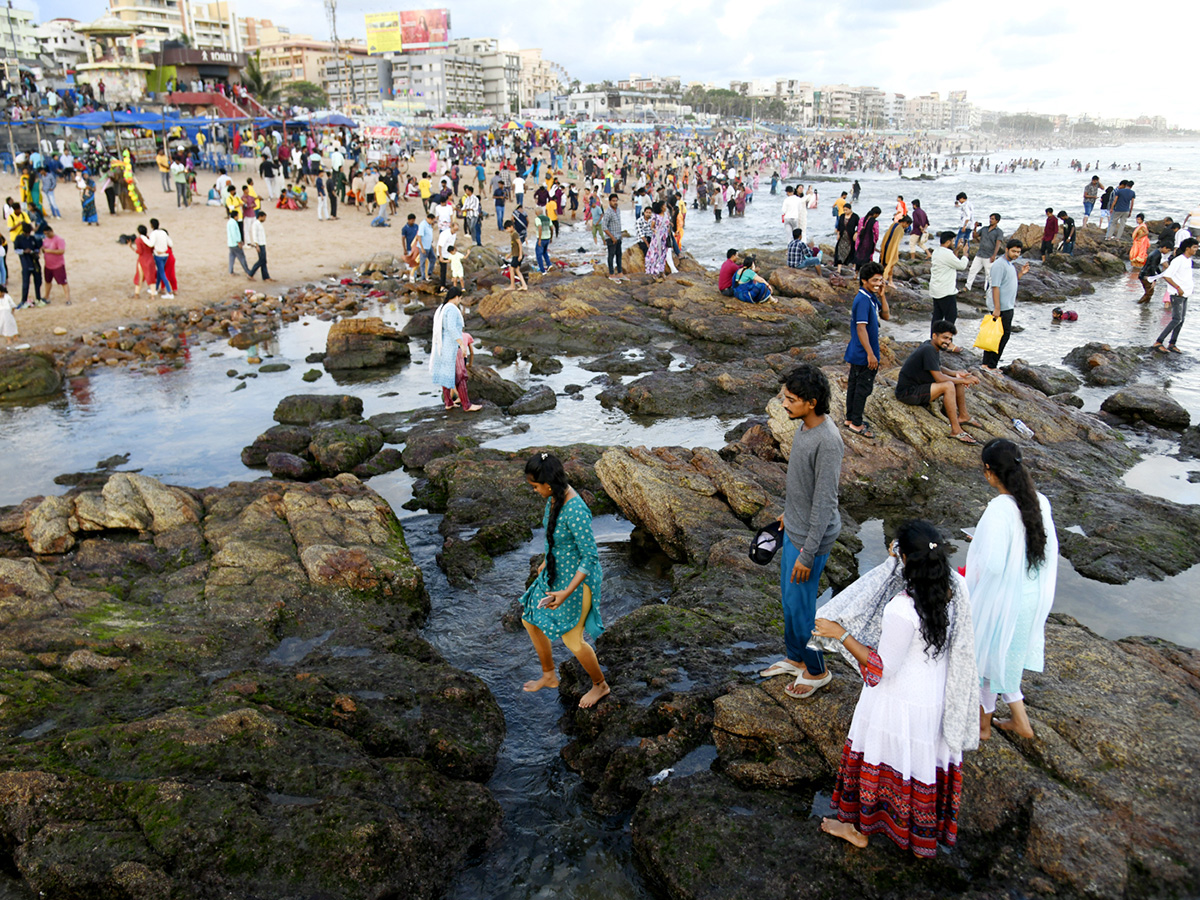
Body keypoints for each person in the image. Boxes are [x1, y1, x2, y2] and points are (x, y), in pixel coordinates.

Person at [814, 519, 978, 857]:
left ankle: (858, 830)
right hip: (935, 698)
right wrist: (900, 555)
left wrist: (839, 634)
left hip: (897, 701)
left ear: (904, 559)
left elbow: (879, 670)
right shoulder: (956, 587)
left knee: (884, 759)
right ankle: (921, 841)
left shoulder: (902, 609)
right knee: (919, 767)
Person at [759, 364, 844, 699]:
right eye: (785, 397)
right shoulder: (805, 427)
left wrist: (807, 554)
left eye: (791, 400)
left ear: (811, 402)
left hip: (812, 540)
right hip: (794, 527)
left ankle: (818, 669)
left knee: (803, 608)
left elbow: (825, 503)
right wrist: (787, 512)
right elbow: (804, 486)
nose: (784, 404)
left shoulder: (828, 441)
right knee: (789, 603)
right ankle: (796, 658)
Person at [968, 438, 1058, 741]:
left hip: (1005, 597)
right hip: (1031, 595)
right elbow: (1044, 549)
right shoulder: (1040, 501)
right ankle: (1021, 721)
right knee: (1005, 659)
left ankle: (982, 727)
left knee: (985, 659)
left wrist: (978, 547)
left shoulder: (998, 509)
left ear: (990, 472)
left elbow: (992, 564)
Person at [517, 451, 610, 709]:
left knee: (572, 640)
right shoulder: (554, 497)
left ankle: (600, 685)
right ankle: (549, 675)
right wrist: (547, 561)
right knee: (529, 618)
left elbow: (590, 557)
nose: (534, 491)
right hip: (556, 571)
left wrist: (567, 592)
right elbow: (557, 537)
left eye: (535, 486)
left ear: (547, 484)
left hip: (579, 581)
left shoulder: (576, 509)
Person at [895, 321, 981, 444]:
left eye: (950, 339)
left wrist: (957, 374)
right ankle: (955, 430)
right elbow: (940, 378)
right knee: (948, 385)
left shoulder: (931, 346)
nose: (947, 342)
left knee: (956, 381)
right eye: (945, 337)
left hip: (920, 387)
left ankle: (963, 416)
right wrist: (964, 379)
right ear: (934, 336)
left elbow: (938, 367)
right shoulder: (928, 349)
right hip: (908, 393)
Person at [843, 262, 890, 438]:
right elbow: (861, 328)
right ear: (864, 280)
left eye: (881, 279)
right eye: (875, 280)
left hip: (859, 351)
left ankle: (850, 418)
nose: (879, 283)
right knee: (862, 388)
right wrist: (870, 353)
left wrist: (883, 295)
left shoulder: (870, 297)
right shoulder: (862, 299)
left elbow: (886, 316)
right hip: (864, 352)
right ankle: (856, 423)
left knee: (854, 386)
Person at [431, 286, 482, 412]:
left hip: (441, 346)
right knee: (461, 375)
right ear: (457, 297)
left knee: (446, 373)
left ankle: (448, 402)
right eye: (460, 298)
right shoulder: (452, 309)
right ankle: (467, 405)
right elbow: (452, 328)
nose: (460, 300)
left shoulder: (441, 308)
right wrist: (462, 344)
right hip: (452, 346)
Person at [982, 239, 1029, 370]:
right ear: (1007, 249)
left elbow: (1009, 282)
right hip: (1001, 307)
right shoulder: (999, 264)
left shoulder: (1009, 264)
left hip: (1008, 305)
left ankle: (988, 364)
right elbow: (995, 287)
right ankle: (990, 365)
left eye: (1018, 252)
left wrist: (1021, 274)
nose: (1016, 254)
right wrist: (997, 308)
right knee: (999, 336)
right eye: (1014, 251)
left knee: (998, 335)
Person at [1151, 238, 1197, 354]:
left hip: (1185, 294)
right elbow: (1167, 276)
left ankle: (1172, 344)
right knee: (1176, 319)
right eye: (1194, 247)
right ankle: (1158, 342)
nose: (1196, 249)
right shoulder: (1179, 260)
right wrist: (1178, 288)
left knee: (1181, 320)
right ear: (1188, 248)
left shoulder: (1188, 260)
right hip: (1177, 294)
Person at [930, 231, 969, 336]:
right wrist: (965, 254)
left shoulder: (937, 251)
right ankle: (947, 339)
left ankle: (934, 337)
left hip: (936, 289)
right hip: (946, 291)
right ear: (948, 241)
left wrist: (956, 250)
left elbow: (951, 260)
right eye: (952, 241)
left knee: (937, 316)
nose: (954, 243)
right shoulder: (946, 254)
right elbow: (961, 266)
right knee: (951, 317)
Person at [966, 213, 1003, 291]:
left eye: (992, 219)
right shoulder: (984, 229)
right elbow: (975, 236)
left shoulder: (999, 232)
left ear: (997, 221)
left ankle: (987, 291)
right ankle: (967, 286)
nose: (990, 220)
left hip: (989, 255)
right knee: (972, 270)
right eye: (990, 218)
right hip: (980, 253)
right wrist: (975, 227)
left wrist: (994, 255)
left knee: (988, 274)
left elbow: (998, 244)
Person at [13, 223, 42, 308]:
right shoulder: (18, 239)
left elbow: (37, 247)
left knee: (38, 281)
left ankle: (38, 298)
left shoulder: (32, 238)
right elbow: (15, 250)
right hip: (25, 263)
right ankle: (24, 300)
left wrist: (36, 252)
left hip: (35, 263)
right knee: (26, 283)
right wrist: (24, 251)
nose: (28, 234)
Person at [40, 225, 69, 305]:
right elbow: (43, 248)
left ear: (52, 231)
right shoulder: (45, 240)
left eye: (48, 233)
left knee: (63, 282)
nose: (47, 235)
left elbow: (61, 251)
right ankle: (46, 296)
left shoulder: (59, 240)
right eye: (45, 234)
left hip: (58, 265)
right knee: (48, 281)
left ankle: (67, 298)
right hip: (48, 265)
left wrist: (48, 251)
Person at [148, 218, 174, 299]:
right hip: (165, 255)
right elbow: (170, 243)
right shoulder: (163, 232)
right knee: (160, 271)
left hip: (158, 255)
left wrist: (143, 238)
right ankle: (156, 288)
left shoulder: (153, 233)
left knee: (162, 273)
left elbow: (151, 244)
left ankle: (169, 292)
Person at [644, 201, 672, 279]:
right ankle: (654, 271)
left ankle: (661, 271)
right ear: (661, 207)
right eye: (664, 206)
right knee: (655, 253)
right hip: (657, 237)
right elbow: (652, 226)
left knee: (663, 254)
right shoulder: (655, 216)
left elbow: (668, 224)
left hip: (664, 237)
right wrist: (655, 230)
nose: (665, 207)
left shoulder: (666, 215)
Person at [879, 216, 910, 285]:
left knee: (884, 263)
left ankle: (885, 279)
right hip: (891, 248)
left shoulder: (894, 224)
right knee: (890, 264)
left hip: (885, 246)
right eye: (907, 224)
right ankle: (889, 281)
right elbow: (896, 242)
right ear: (904, 222)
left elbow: (886, 235)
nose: (907, 226)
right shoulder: (900, 229)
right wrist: (895, 252)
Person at [246, 210, 271, 282]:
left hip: (262, 243)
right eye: (264, 218)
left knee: (263, 260)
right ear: (261, 217)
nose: (265, 219)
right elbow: (254, 235)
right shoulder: (255, 224)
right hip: (259, 244)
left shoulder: (259, 224)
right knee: (261, 260)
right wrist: (256, 245)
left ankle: (266, 277)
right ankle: (250, 274)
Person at [601, 192, 623, 276]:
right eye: (613, 201)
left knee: (619, 255)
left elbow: (618, 223)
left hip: (618, 236)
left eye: (616, 200)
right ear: (609, 202)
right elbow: (604, 227)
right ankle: (611, 273)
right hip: (611, 238)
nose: (615, 202)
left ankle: (620, 272)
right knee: (611, 256)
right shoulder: (608, 212)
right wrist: (612, 237)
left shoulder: (618, 210)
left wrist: (620, 235)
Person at [504, 219, 528, 291]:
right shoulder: (513, 234)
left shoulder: (514, 234)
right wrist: (509, 254)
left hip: (517, 255)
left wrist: (520, 255)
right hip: (515, 254)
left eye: (507, 228)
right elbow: (514, 247)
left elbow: (519, 244)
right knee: (517, 270)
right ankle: (524, 285)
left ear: (511, 227)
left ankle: (512, 286)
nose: (507, 230)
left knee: (511, 269)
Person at [226, 209, 251, 277]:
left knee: (232, 257)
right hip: (235, 244)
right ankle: (248, 271)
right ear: (235, 216)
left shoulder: (229, 222)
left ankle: (230, 271)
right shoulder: (233, 223)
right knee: (242, 257)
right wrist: (239, 242)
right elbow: (234, 234)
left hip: (231, 243)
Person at [854, 207, 880, 271]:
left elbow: (859, 230)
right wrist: (875, 241)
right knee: (867, 257)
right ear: (876, 214)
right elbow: (876, 233)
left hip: (860, 241)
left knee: (859, 256)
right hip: (869, 242)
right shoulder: (874, 222)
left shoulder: (862, 220)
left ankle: (856, 273)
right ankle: (864, 272)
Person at [834, 204, 858, 272]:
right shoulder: (842, 216)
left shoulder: (855, 216)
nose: (845, 211)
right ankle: (839, 269)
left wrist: (856, 233)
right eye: (844, 210)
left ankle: (853, 266)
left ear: (850, 209)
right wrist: (838, 234)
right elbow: (839, 226)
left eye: (846, 210)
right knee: (839, 251)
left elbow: (859, 226)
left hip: (850, 237)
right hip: (842, 237)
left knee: (852, 251)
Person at [534, 205, 553, 274]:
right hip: (547, 238)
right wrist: (551, 237)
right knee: (545, 252)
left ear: (536, 213)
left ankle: (542, 270)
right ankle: (549, 264)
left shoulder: (537, 219)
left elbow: (540, 227)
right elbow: (551, 228)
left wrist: (539, 239)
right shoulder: (547, 218)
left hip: (541, 239)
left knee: (538, 254)